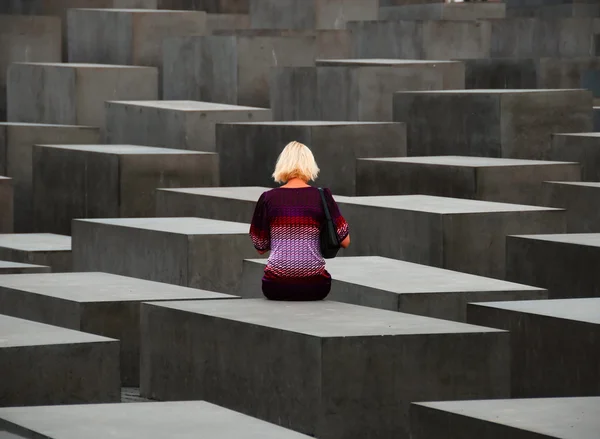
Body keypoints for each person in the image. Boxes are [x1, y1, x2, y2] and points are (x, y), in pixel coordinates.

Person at [249, 141, 350, 301]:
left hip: (275, 286)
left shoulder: (268, 198)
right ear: (310, 164)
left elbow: (260, 246)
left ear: (282, 164)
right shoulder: (322, 196)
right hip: (316, 286)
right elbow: (345, 241)